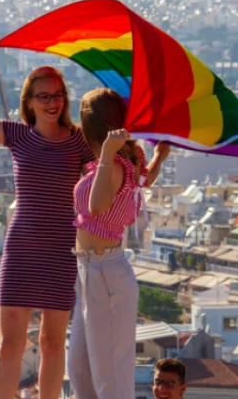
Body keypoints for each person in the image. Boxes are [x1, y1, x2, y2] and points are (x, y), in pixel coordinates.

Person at [0, 42, 95, 399]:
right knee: (10, 344)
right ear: (28, 102)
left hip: (62, 249)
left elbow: (110, 170)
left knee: (51, 341)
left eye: (58, 95)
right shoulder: (16, 135)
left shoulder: (80, 142)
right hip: (21, 249)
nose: (52, 102)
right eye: (43, 96)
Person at [66, 88, 170, 399]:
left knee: (109, 375)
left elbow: (96, 206)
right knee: (80, 369)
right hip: (90, 272)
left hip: (106, 272)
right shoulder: (127, 158)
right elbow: (144, 180)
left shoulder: (112, 164)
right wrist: (159, 156)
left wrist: (108, 154)